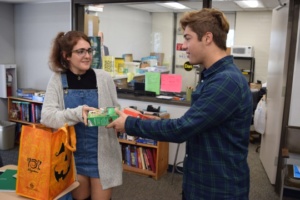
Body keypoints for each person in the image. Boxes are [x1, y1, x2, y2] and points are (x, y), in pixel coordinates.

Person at [107, 8, 253, 200]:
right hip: (202, 182)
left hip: (218, 188)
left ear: (207, 38)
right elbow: (199, 123)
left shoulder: (226, 82)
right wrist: (147, 119)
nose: (183, 46)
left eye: (187, 38)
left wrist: (129, 124)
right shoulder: (213, 76)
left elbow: (181, 129)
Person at [41, 31, 122, 200]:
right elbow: (47, 116)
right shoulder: (57, 80)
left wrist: (118, 117)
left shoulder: (104, 78)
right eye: (80, 51)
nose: (87, 56)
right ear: (67, 55)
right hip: (72, 156)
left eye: (89, 50)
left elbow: (115, 110)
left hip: (102, 154)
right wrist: (78, 113)